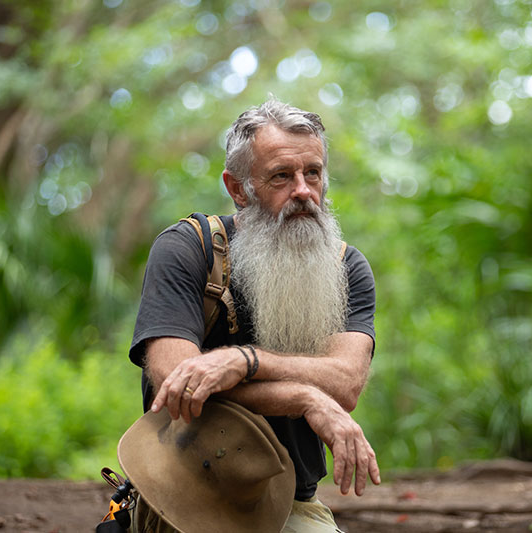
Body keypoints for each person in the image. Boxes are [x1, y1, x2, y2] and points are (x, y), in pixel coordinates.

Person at [128, 98, 380, 532]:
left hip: (291, 503)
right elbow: (176, 378)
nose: (303, 190)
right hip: (183, 490)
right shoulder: (187, 249)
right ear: (238, 188)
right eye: (282, 176)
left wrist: (246, 363)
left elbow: (346, 381)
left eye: (313, 173)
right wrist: (304, 396)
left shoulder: (346, 268)